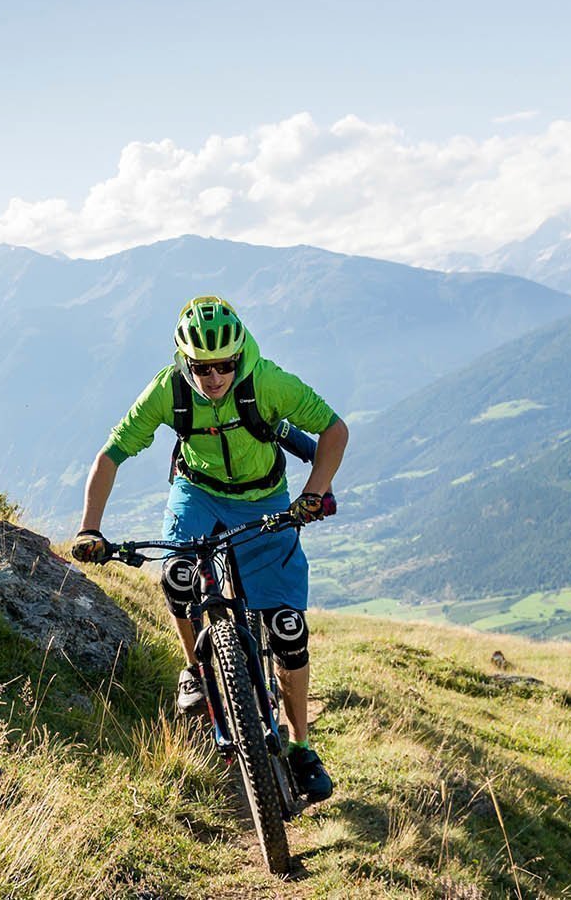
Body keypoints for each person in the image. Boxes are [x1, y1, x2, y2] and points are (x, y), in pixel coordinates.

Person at [70, 296, 347, 803]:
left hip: (264, 499)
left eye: (224, 365)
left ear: (240, 357)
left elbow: (334, 429)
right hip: (195, 493)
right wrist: (90, 527)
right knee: (176, 574)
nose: (214, 377)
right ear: (185, 360)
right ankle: (196, 670)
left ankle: (302, 746)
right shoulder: (168, 389)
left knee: (287, 630)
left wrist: (313, 493)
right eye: (202, 367)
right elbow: (111, 453)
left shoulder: (267, 382)